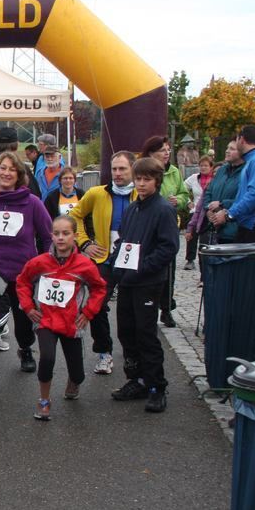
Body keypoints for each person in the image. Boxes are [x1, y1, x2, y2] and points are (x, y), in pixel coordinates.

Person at [16, 215, 106, 420]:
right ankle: (44, 400)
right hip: (45, 320)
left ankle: (74, 380)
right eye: (56, 233)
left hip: (72, 323)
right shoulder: (39, 262)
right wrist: (29, 307)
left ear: (75, 236)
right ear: (51, 236)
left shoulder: (85, 265)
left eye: (66, 233)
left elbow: (99, 288)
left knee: (78, 373)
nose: (61, 238)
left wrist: (88, 312)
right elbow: (22, 281)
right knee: (47, 358)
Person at [108, 157, 180, 413]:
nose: (141, 184)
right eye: (138, 179)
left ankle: (156, 386)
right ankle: (136, 379)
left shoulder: (163, 209)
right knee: (126, 331)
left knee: (146, 334)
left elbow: (169, 247)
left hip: (148, 282)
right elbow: (124, 244)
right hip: (127, 281)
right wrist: (114, 274)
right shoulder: (132, 209)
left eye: (146, 179)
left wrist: (141, 268)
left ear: (156, 181)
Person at [0, 151, 52, 373]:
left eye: (12, 169)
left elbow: (48, 237)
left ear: (19, 174)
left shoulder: (32, 203)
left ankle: (26, 348)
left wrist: (45, 265)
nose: (6, 173)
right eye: (2, 168)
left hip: (23, 274)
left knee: (23, 323)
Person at [69, 151, 137, 375]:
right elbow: (74, 216)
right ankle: (104, 352)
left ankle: (132, 356)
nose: (117, 174)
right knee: (96, 306)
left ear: (133, 170)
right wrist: (84, 242)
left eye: (122, 169)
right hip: (104, 258)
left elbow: (168, 216)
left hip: (133, 260)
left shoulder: (143, 193)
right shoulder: (97, 193)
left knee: (131, 310)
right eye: (114, 169)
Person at [140, 135, 189, 327]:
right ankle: (149, 304)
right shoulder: (143, 170)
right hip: (148, 226)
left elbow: (184, 194)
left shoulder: (174, 172)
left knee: (169, 270)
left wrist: (179, 200)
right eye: (162, 150)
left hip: (169, 224)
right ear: (151, 153)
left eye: (168, 149)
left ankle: (167, 308)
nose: (167, 153)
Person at [207, 126, 255, 243]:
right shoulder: (253, 160)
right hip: (247, 226)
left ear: (241, 140)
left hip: (254, 227)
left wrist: (229, 214)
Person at [194, 140, 244, 246]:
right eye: (227, 148)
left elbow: (245, 200)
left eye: (232, 149)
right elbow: (208, 191)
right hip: (215, 230)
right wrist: (208, 209)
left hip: (235, 232)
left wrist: (222, 204)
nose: (227, 151)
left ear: (242, 153)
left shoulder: (246, 172)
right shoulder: (221, 170)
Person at [182, 155, 215, 269]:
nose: (203, 168)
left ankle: (205, 260)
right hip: (195, 209)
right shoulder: (194, 178)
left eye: (206, 165)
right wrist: (187, 201)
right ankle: (190, 259)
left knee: (205, 238)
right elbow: (182, 188)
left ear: (211, 167)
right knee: (191, 234)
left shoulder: (215, 179)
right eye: (201, 165)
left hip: (209, 212)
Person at [33, 134, 64, 201]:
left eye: (52, 156)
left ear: (59, 157)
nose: (50, 159)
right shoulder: (40, 173)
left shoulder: (65, 174)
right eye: (47, 157)